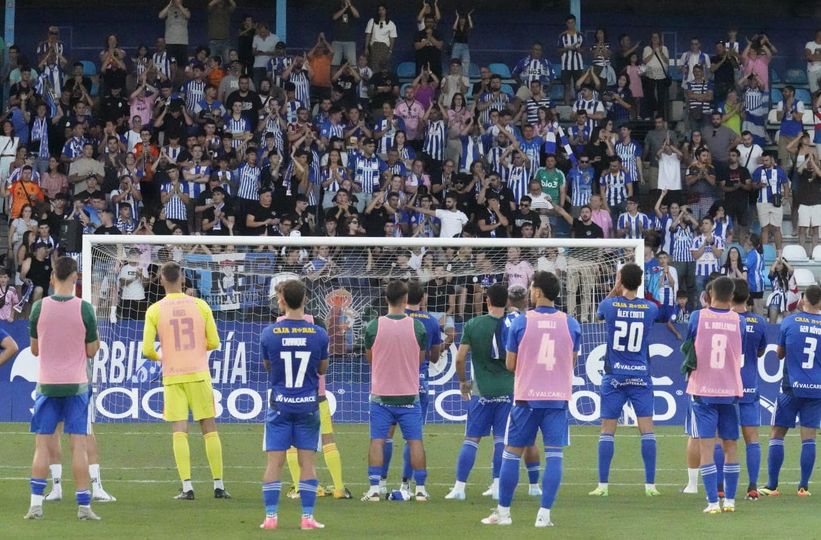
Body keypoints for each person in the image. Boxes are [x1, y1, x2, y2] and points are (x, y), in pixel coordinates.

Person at [481, 271, 580, 528]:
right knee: (555, 455)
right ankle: (544, 516)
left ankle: (503, 514)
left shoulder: (521, 323)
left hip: (527, 397)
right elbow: (571, 362)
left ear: (536, 292)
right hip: (557, 399)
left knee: (511, 454)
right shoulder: (571, 323)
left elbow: (511, 364)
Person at [141, 262, 229, 500]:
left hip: (173, 375)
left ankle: (187, 487)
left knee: (179, 430)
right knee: (209, 427)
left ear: (161, 281)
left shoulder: (155, 310)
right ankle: (219, 486)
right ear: (182, 280)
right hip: (199, 373)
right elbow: (214, 342)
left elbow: (147, 349)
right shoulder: (200, 305)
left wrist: (163, 357)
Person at [24, 256, 101, 521]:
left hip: (47, 383)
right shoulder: (85, 308)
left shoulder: (38, 308)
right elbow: (92, 350)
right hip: (76, 383)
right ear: (75, 277)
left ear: (52, 277)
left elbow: (34, 350)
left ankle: (35, 505)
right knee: (77, 446)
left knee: (42, 445)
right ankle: (83, 506)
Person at [259, 279, 329, 530]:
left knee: (274, 463)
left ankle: (270, 518)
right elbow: (322, 369)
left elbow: (269, 367)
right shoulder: (319, 334)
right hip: (308, 406)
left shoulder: (269, 333)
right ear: (306, 300)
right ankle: (307, 517)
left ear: (281, 301)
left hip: (280, 405)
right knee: (307, 463)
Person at [589, 263, 660, 498]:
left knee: (607, 431)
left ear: (621, 281)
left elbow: (598, 313)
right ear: (640, 283)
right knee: (647, 431)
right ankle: (650, 486)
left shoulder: (609, 305)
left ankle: (603, 485)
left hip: (614, 376)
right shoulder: (649, 308)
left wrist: (615, 289)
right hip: (640, 374)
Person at [362, 280, 429, 502]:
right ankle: (420, 489)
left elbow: (370, 358)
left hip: (381, 395)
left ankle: (374, 488)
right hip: (409, 394)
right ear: (405, 298)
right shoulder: (417, 327)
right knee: (415, 441)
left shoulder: (373, 326)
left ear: (385, 299)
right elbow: (420, 359)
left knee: (377, 440)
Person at [683, 276, 744, 513]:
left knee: (707, 447)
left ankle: (712, 502)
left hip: (704, 389)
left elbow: (689, 344)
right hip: (730, 389)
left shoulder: (698, 316)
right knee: (731, 446)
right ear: (731, 296)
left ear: (710, 295)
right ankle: (730, 500)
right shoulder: (737, 320)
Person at [379, 281, 442, 496]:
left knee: (386, 436)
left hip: (390, 382)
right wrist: (445, 344)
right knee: (413, 438)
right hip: (417, 381)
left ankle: (380, 483)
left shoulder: (392, 320)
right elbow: (433, 357)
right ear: (423, 298)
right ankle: (407, 485)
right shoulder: (431, 322)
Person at [760, 284, 821, 497]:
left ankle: (772, 485)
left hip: (791, 387)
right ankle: (803, 487)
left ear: (803, 300)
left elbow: (779, 354)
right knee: (809, 437)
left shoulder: (789, 322)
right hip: (816, 389)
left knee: (777, 433)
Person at [728, 278, 769, 500]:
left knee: (722, 439)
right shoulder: (760, 322)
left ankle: (720, 488)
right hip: (749, 385)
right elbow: (760, 352)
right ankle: (752, 487)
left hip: (725, 386)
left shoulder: (723, 320)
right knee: (752, 439)